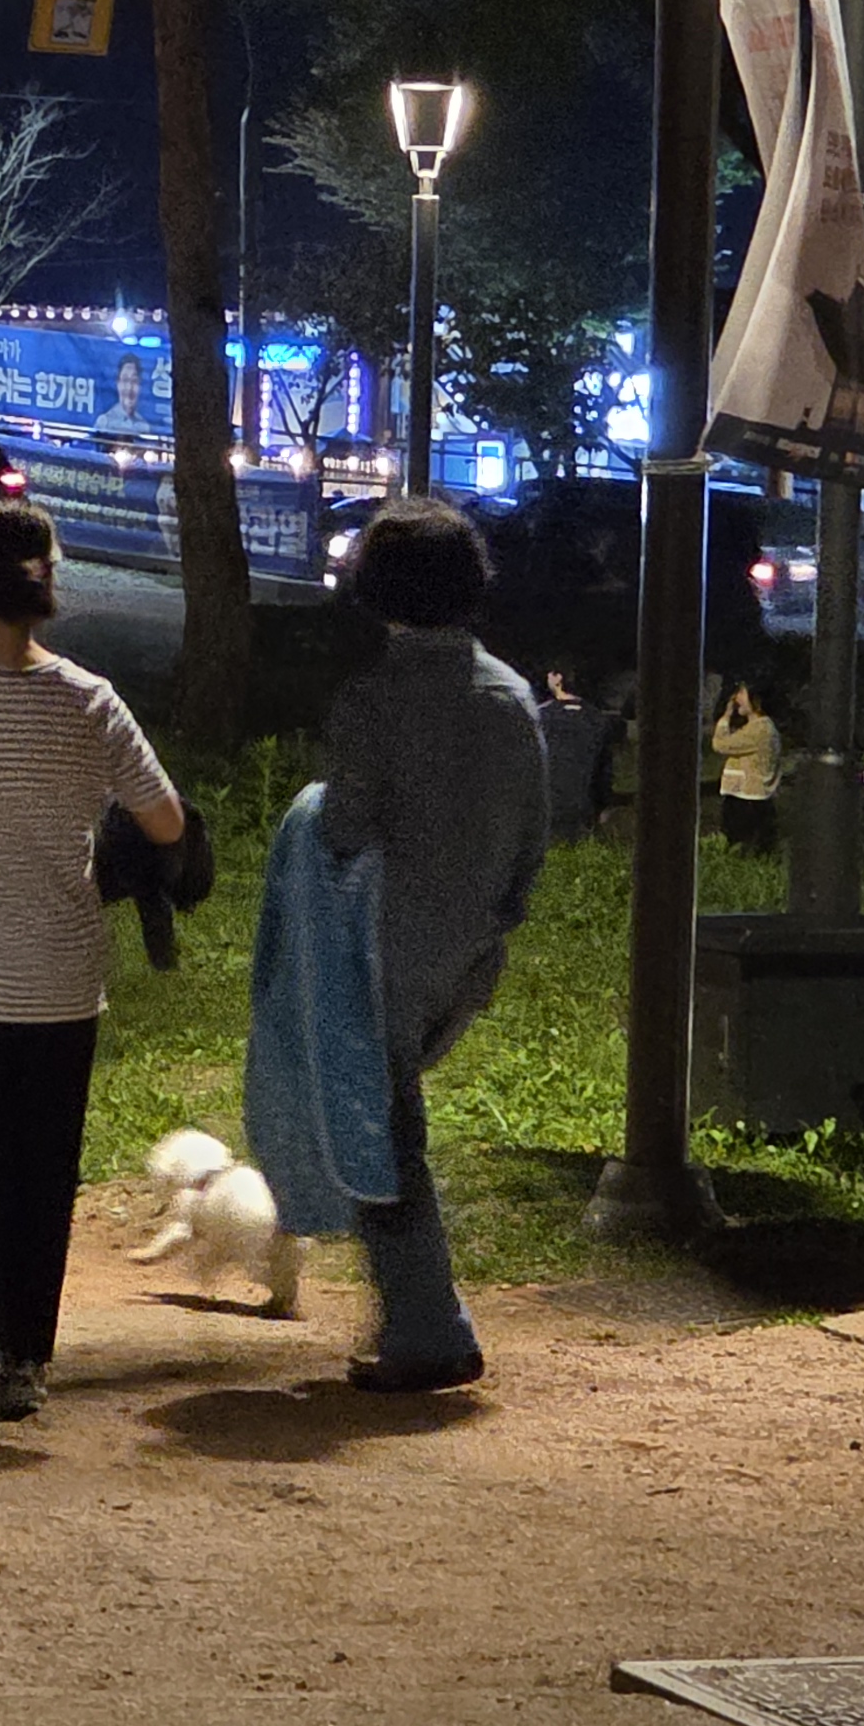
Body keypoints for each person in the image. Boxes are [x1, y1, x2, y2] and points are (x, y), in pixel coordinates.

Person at [0, 500, 183, 1441]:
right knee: (38, 1169)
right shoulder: (90, 701)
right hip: (57, 982)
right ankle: (23, 1361)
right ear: (50, 584)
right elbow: (166, 819)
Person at [313, 496, 547, 1393]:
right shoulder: (511, 697)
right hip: (470, 950)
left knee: (384, 1136)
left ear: (375, 590)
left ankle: (427, 1326)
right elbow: (533, 841)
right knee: (396, 1119)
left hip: (383, 949)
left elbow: (344, 830)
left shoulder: (373, 701)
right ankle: (421, 1320)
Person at [532, 666, 614, 840]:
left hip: (545, 816)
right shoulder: (597, 719)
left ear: (557, 679)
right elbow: (604, 774)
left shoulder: (540, 716)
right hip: (583, 815)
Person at [708, 681, 781, 852]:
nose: (736, 698)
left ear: (755, 701)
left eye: (742, 694)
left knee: (741, 846)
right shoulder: (757, 727)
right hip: (747, 797)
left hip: (747, 799)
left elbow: (720, 744)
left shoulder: (760, 729)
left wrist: (725, 718)